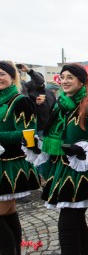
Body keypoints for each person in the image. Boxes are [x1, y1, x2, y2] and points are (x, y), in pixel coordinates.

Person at [37, 63, 88, 254]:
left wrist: (81, 149)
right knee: (76, 224)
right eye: (62, 77)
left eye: (70, 77)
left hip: (83, 173)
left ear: (82, 81)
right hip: (61, 170)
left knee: (67, 227)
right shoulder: (59, 105)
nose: (64, 81)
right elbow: (52, 135)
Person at [0, 61, 41, 255]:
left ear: (11, 76)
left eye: (2, 74)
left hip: (10, 165)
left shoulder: (20, 101)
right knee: (8, 214)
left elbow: (27, 133)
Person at [17, 64, 57, 138]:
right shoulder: (28, 90)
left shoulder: (49, 92)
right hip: (36, 126)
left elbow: (53, 107)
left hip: (49, 126)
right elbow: (28, 108)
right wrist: (36, 103)